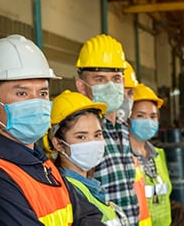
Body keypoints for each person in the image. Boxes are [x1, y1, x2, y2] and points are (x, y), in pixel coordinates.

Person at [0, 34, 104, 225]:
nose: (36, 102)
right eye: (22, 93)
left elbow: (90, 217)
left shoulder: (45, 165)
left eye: (42, 93)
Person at [75, 34, 151, 226]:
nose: (110, 86)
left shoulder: (123, 128)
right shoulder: (78, 132)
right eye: (100, 79)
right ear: (81, 86)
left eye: (116, 78)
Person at [49, 90, 130, 226]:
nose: (92, 142)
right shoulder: (68, 191)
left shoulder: (89, 186)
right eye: (81, 137)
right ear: (58, 144)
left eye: (97, 135)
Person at [129, 84, 173, 226]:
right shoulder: (124, 158)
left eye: (153, 116)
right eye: (140, 116)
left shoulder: (158, 155)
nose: (148, 121)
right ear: (128, 118)